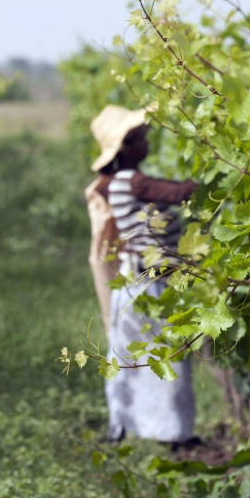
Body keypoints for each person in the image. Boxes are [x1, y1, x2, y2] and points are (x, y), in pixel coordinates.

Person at [87, 105, 198, 447]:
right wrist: (227, 177)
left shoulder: (113, 183)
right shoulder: (134, 182)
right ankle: (175, 435)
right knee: (168, 354)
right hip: (150, 281)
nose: (148, 142)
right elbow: (177, 193)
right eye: (141, 138)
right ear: (126, 148)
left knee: (127, 354)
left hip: (133, 281)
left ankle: (121, 426)